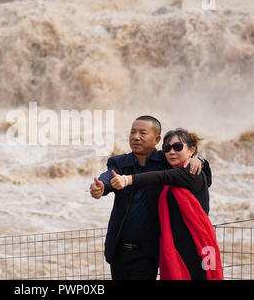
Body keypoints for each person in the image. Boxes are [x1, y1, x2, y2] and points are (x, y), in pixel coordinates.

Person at [89, 116, 211, 280]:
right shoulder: (119, 162)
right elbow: (108, 177)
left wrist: (200, 160)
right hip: (118, 249)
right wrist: (102, 187)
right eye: (132, 132)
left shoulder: (166, 160)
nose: (135, 137)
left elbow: (196, 176)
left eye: (142, 133)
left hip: (148, 251)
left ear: (157, 139)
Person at [110, 128, 223, 280]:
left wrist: (127, 179)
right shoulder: (177, 171)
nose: (171, 152)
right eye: (167, 148)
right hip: (174, 246)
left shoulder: (191, 171)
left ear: (191, 150)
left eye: (177, 147)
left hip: (193, 246)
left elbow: (161, 177)